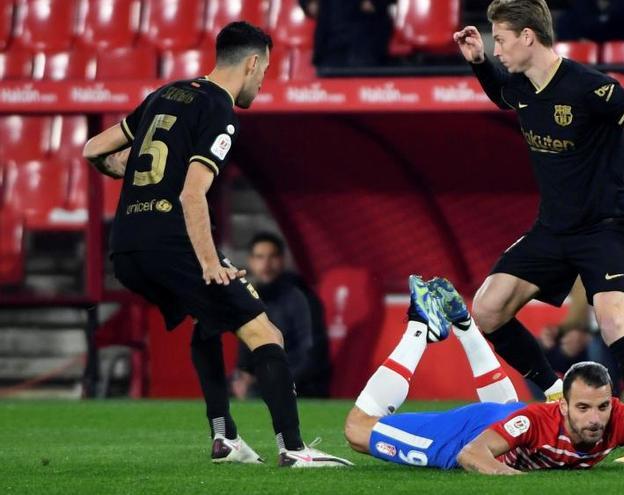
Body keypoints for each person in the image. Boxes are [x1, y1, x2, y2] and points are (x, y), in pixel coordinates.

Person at [82, 22, 352, 467]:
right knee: (265, 332)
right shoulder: (220, 109)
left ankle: (224, 437)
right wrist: (210, 261)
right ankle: (294, 449)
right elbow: (192, 192)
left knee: (207, 321)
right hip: (171, 241)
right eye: (264, 69)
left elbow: (93, 148)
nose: (264, 79)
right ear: (251, 63)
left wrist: (120, 173)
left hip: (126, 246)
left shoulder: (165, 94)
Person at [452, 0, 624, 460]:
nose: (496, 47)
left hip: (605, 228)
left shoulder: (590, 88)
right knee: (486, 310)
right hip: (553, 229)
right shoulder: (521, 87)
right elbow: (504, 95)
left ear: (527, 37)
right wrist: (480, 63)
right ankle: (552, 389)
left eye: (499, 39)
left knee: (616, 325)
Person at [343, 276, 624, 474]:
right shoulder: (539, 419)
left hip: (506, 422)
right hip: (468, 433)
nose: (594, 418)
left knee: (506, 413)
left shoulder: (621, 419)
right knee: (358, 431)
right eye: (583, 408)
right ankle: (420, 325)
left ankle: (464, 323)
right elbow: (473, 455)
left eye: (602, 406)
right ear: (562, 404)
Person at [231, 232, 331, 399]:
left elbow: (312, 356)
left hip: (303, 386)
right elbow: (246, 349)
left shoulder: (301, 298)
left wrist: (277, 381)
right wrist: (243, 376)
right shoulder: (251, 298)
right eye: (260, 257)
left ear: (282, 260)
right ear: (251, 261)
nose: (266, 264)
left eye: (272, 257)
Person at [300, 0, 395, 68]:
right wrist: (308, 3)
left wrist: (377, 3)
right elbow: (309, 5)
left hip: (366, 39)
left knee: (364, 84)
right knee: (330, 88)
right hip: (330, 42)